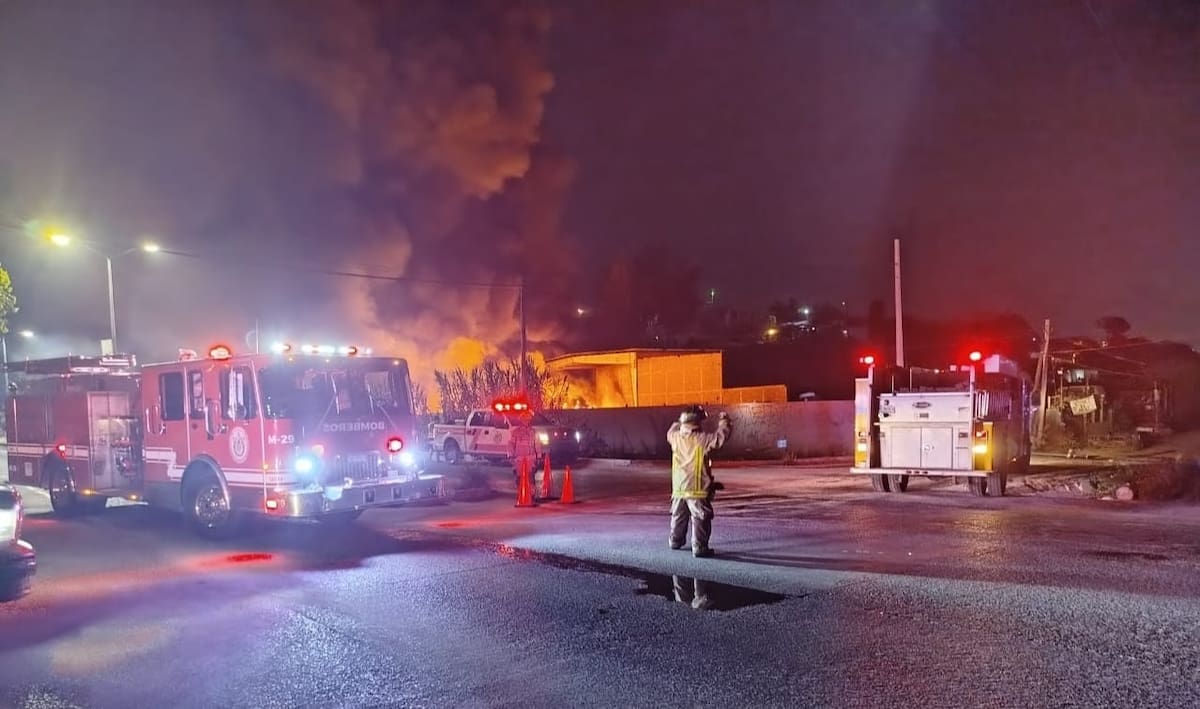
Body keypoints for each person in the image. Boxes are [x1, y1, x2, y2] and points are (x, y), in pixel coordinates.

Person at [666, 405, 732, 558]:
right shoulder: (702, 439)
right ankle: (699, 547)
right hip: (696, 488)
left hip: (679, 488)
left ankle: (675, 541)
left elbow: (670, 431)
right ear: (696, 422)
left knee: (678, 515)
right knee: (700, 517)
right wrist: (724, 422)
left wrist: (679, 421)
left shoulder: (674, 437)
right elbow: (720, 438)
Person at [509, 409, 542, 493]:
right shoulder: (515, 432)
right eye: (525, 419)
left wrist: (539, 457)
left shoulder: (533, 432)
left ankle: (531, 494)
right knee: (519, 478)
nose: (526, 421)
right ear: (521, 420)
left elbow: (537, 445)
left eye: (528, 420)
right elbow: (511, 445)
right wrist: (510, 456)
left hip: (530, 460)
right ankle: (521, 494)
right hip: (519, 460)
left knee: (531, 478)